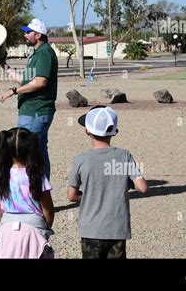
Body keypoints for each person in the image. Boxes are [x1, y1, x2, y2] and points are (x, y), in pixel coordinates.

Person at [67, 105, 148, 259]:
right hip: (117, 228)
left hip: (91, 229)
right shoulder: (124, 156)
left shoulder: (81, 159)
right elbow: (142, 187)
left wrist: (89, 197)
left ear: (87, 131)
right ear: (115, 132)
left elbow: (71, 196)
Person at [0, 18, 58, 179]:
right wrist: (4, 64)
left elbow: (40, 82)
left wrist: (14, 91)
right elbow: (25, 80)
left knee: (24, 151)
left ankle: (30, 194)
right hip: (32, 111)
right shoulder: (37, 54)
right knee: (39, 151)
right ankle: (42, 194)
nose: (25, 35)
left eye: (28, 32)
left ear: (38, 35)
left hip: (36, 112)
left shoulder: (45, 53)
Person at [0, 127, 55, 258]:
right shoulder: (37, 175)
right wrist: (46, 227)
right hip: (35, 227)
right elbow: (48, 209)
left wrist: (4, 221)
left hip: (7, 226)